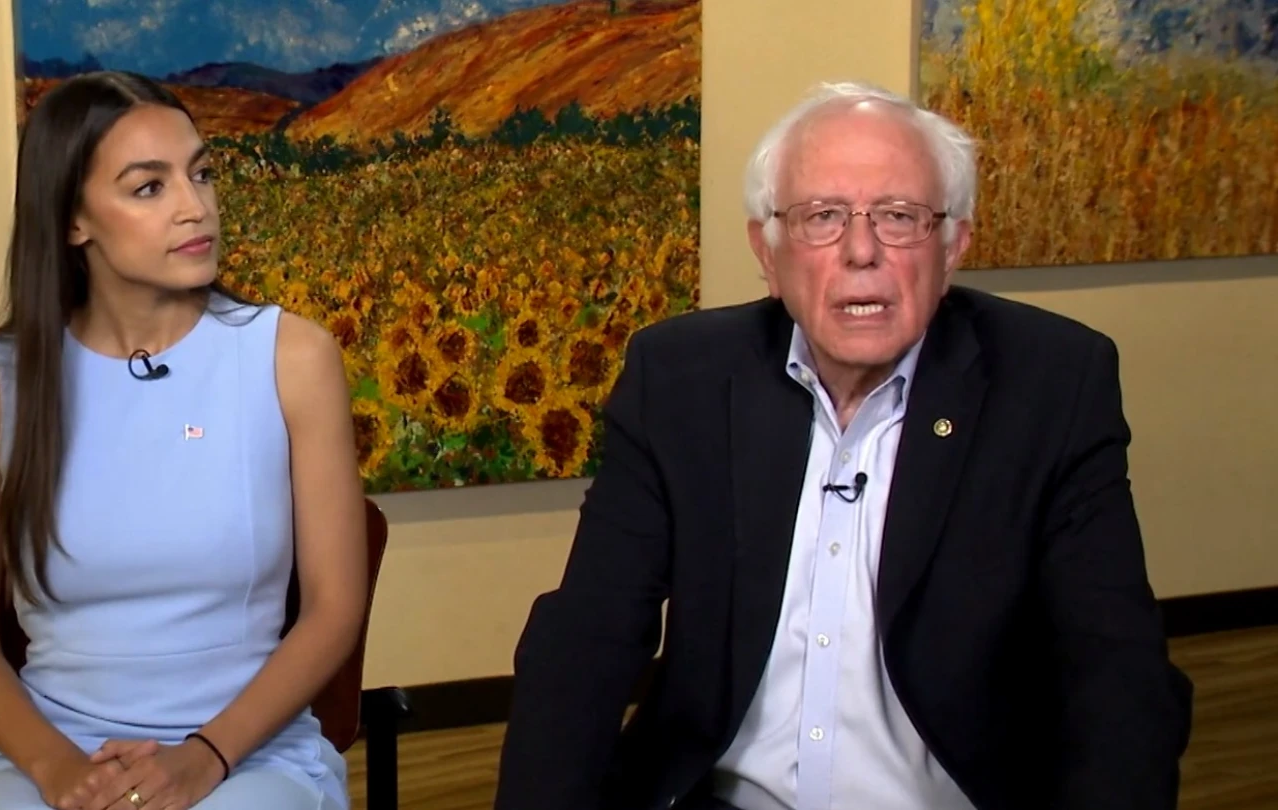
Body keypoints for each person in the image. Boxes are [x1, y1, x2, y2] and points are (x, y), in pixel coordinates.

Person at [494, 81, 1194, 810]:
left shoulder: (1052, 385)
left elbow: (1118, 674)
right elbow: (586, 640)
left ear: (954, 245)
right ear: (767, 250)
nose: (862, 251)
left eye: (899, 217)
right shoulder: (680, 379)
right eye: (822, 218)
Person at [0, 71, 369, 810]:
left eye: (201, 174)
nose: (196, 208)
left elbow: (333, 611)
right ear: (74, 220)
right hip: (48, 746)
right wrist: (60, 769)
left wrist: (204, 759)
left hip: (248, 750)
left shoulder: (293, 357)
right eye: (148, 187)